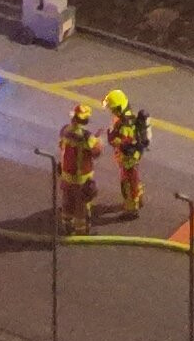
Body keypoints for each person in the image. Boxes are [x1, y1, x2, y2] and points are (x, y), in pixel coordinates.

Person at [104, 88, 149, 219]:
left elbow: (124, 142)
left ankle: (131, 210)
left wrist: (113, 139)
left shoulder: (125, 124)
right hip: (131, 157)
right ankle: (138, 198)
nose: (111, 111)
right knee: (134, 179)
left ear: (119, 108)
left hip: (128, 158)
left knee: (127, 184)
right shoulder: (128, 118)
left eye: (113, 109)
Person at [55, 101, 100, 233]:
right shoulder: (87, 137)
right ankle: (81, 230)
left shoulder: (65, 130)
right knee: (81, 205)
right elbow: (96, 152)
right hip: (81, 178)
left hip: (66, 174)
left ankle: (66, 225)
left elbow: (62, 146)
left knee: (67, 201)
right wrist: (97, 140)